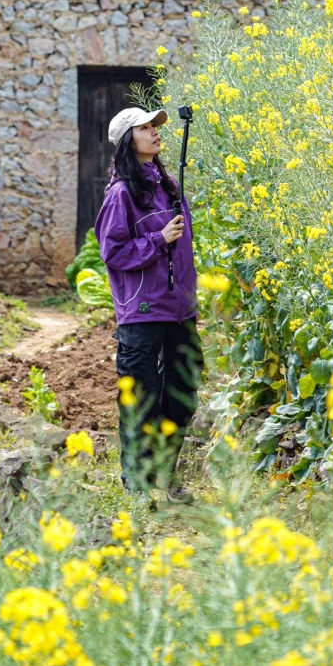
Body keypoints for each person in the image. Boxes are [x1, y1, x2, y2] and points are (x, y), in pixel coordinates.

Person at [94, 105, 202, 502]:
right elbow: (113, 252)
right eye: (145, 128)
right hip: (141, 312)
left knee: (183, 391)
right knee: (141, 397)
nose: (156, 133)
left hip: (179, 310)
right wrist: (159, 240)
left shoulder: (169, 185)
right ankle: (138, 485)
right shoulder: (121, 194)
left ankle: (163, 472)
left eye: (156, 127)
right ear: (128, 140)